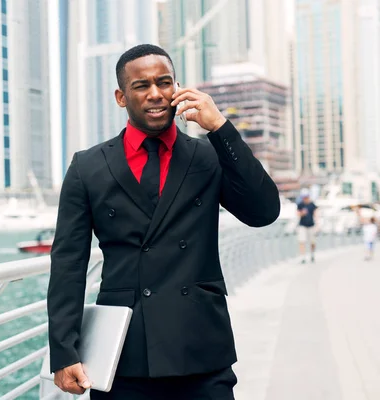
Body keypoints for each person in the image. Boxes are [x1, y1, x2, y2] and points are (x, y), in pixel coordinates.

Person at [46, 44, 280, 399]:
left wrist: (219, 126)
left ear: (177, 88)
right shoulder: (87, 167)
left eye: (164, 82)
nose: (156, 93)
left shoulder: (208, 154)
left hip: (202, 350)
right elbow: (68, 263)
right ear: (121, 97)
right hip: (124, 355)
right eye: (141, 85)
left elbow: (263, 212)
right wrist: (64, 351)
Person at [296, 190, 317, 263]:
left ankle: (312, 254)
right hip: (302, 225)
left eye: (306, 197)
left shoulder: (312, 205)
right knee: (302, 241)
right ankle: (303, 257)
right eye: (304, 197)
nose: (305, 198)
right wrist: (302, 213)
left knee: (312, 241)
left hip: (311, 225)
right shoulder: (300, 205)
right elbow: (297, 214)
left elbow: (316, 215)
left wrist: (317, 225)